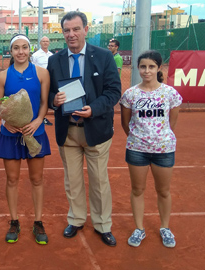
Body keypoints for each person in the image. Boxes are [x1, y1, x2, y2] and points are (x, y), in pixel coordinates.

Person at [47, 11, 121, 246]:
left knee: (99, 180)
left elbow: (113, 91)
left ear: (86, 30)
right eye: (67, 30)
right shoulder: (54, 60)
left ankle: (102, 224)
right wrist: (54, 101)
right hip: (67, 130)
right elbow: (48, 93)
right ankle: (77, 219)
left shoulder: (104, 56)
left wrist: (94, 109)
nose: (71, 34)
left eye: (76, 29)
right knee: (73, 180)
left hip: (95, 128)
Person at [119, 50, 182, 248]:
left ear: (159, 68)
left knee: (163, 191)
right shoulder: (130, 94)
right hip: (137, 149)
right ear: (138, 68)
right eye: (143, 67)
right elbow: (125, 123)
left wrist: (160, 137)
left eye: (151, 67)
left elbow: (172, 122)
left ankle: (165, 227)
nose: (147, 71)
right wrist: (139, 138)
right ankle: (139, 228)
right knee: (138, 190)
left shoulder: (170, 93)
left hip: (164, 149)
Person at [0, 34, 51, 245]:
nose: (21, 52)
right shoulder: (1, 77)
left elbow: (45, 102)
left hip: (35, 133)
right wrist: (5, 123)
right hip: (10, 135)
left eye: (24, 47)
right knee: (12, 180)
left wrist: (38, 121)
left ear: (30, 50)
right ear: (11, 52)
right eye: (16, 48)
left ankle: (38, 221)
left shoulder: (42, 73)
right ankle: (14, 221)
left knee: (37, 179)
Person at [31, 36, 54, 126]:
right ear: (40, 43)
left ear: (49, 43)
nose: (45, 43)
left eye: (47, 41)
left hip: (50, 80)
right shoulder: (35, 55)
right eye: (43, 41)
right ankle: (41, 118)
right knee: (40, 99)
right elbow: (32, 68)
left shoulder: (51, 55)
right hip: (39, 80)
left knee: (48, 97)